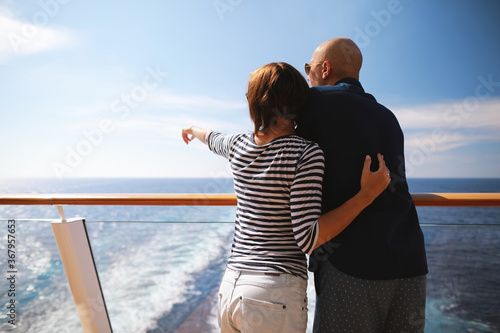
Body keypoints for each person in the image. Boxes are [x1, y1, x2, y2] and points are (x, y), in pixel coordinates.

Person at [181, 62, 391, 333]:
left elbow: (212, 138)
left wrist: (190, 129)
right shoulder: (305, 153)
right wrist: (366, 196)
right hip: (272, 294)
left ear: (257, 104)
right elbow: (308, 237)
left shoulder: (237, 145)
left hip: (231, 288)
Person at [296, 37, 428, 332]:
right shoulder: (388, 116)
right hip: (410, 260)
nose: (307, 75)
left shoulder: (315, 102)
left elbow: (275, 140)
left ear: (325, 68)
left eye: (309, 67)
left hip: (354, 265)